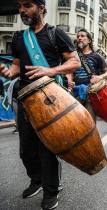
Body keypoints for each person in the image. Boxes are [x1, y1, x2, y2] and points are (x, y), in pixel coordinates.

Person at [0, 0, 80, 209]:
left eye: (27, 5)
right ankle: (36, 180)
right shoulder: (18, 38)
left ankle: (51, 190)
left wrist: (50, 71)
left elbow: (75, 62)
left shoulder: (56, 34)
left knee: (47, 149)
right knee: (26, 149)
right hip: (26, 99)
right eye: (20, 6)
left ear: (41, 8)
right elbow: (17, 67)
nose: (22, 10)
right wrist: (8, 72)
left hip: (50, 99)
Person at [66, 28, 107, 122]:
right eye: (78, 36)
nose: (79, 38)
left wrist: (100, 77)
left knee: (89, 122)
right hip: (76, 92)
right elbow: (69, 71)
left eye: (82, 36)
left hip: (91, 94)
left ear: (89, 40)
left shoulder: (97, 56)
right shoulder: (74, 55)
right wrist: (69, 79)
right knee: (73, 121)